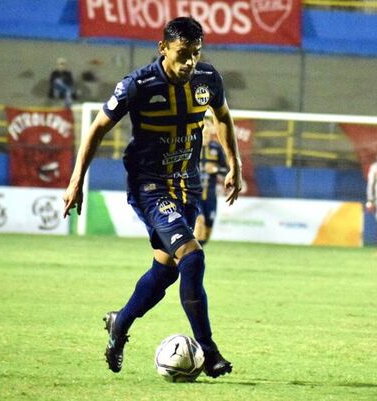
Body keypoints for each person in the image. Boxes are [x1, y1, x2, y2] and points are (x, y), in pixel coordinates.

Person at [62, 17, 242, 378]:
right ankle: (209, 351)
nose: (189, 62)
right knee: (192, 258)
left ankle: (120, 323)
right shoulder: (137, 85)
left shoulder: (208, 80)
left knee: (165, 272)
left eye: (195, 53)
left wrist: (233, 164)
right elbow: (97, 127)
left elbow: (222, 117)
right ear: (163, 49)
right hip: (150, 187)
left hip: (187, 187)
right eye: (181, 54)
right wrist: (76, 179)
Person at [194, 114, 228, 246]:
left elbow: (225, 172)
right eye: (204, 133)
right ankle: (192, 258)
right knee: (199, 222)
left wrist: (215, 170)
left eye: (208, 133)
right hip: (194, 194)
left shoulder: (216, 148)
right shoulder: (191, 147)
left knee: (208, 228)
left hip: (210, 195)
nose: (206, 135)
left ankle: (197, 252)